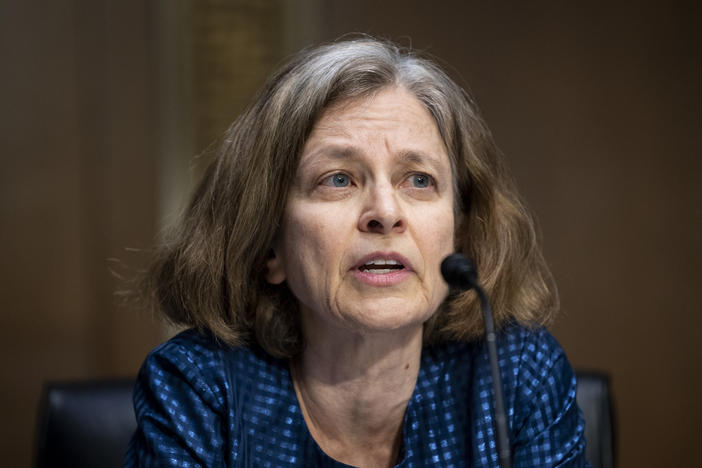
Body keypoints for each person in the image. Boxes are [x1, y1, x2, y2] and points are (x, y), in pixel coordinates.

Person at [125, 37, 588, 467]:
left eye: (419, 180)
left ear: (460, 233)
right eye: (338, 179)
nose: (385, 213)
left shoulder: (514, 376)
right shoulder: (201, 387)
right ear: (269, 244)